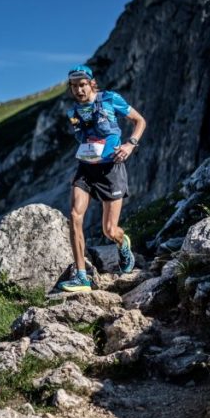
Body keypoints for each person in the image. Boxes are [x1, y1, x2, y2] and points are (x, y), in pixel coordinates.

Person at [58, 64, 146, 293]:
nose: (78, 90)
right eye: (74, 86)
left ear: (91, 83)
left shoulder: (110, 99)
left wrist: (130, 144)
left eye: (82, 85)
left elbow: (140, 121)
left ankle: (122, 243)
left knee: (109, 229)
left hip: (111, 170)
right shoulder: (73, 113)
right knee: (75, 216)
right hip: (86, 169)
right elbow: (82, 138)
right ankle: (81, 277)